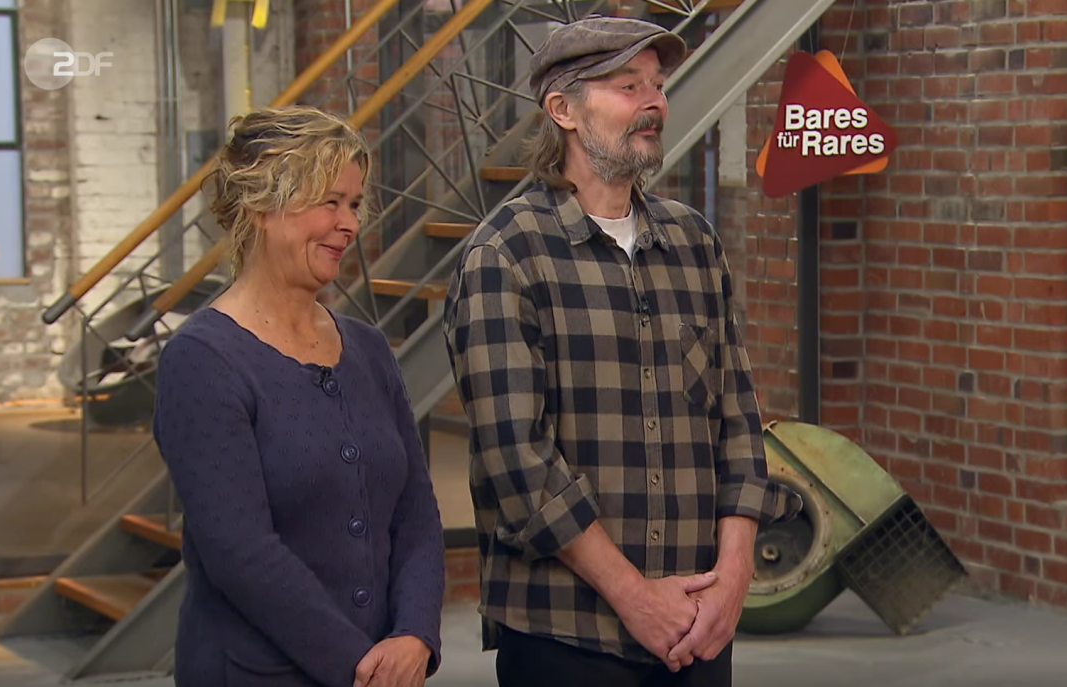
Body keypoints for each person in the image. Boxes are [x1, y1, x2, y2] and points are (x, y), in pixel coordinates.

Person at [442, 15, 803, 687]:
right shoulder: (505, 255)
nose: (654, 103)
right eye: (628, 86)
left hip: (698, 628)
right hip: (566, 636)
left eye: (657, 85)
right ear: (563, 110)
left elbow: (737, 423)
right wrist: (635, 598)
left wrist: (732, 581)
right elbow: (518, 462)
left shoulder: (694, 244)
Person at [153, 105, 445, 687]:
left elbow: (415, 512)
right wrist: (361, 667)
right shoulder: (202, 359)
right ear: (262, 207)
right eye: (329, 202)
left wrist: (414, 634)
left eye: (354, 204)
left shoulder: (368, 348)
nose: (349, 224)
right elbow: (240, 552)